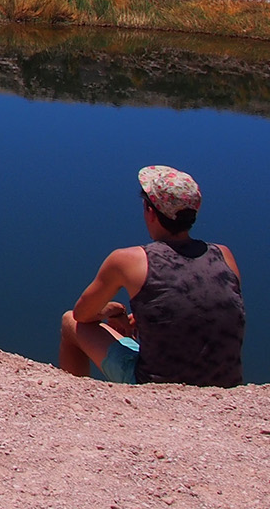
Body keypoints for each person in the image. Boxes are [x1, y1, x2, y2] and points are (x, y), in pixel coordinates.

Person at [59, 165, 245, 386]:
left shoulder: (127, 260)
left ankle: (77, 398)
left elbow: (83, 314)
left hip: (157, 385)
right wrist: (147, 316)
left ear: (149, 210)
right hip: (227, 384)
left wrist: (114, 309)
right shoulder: (224, 255)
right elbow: (208, 309)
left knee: (70, 322)